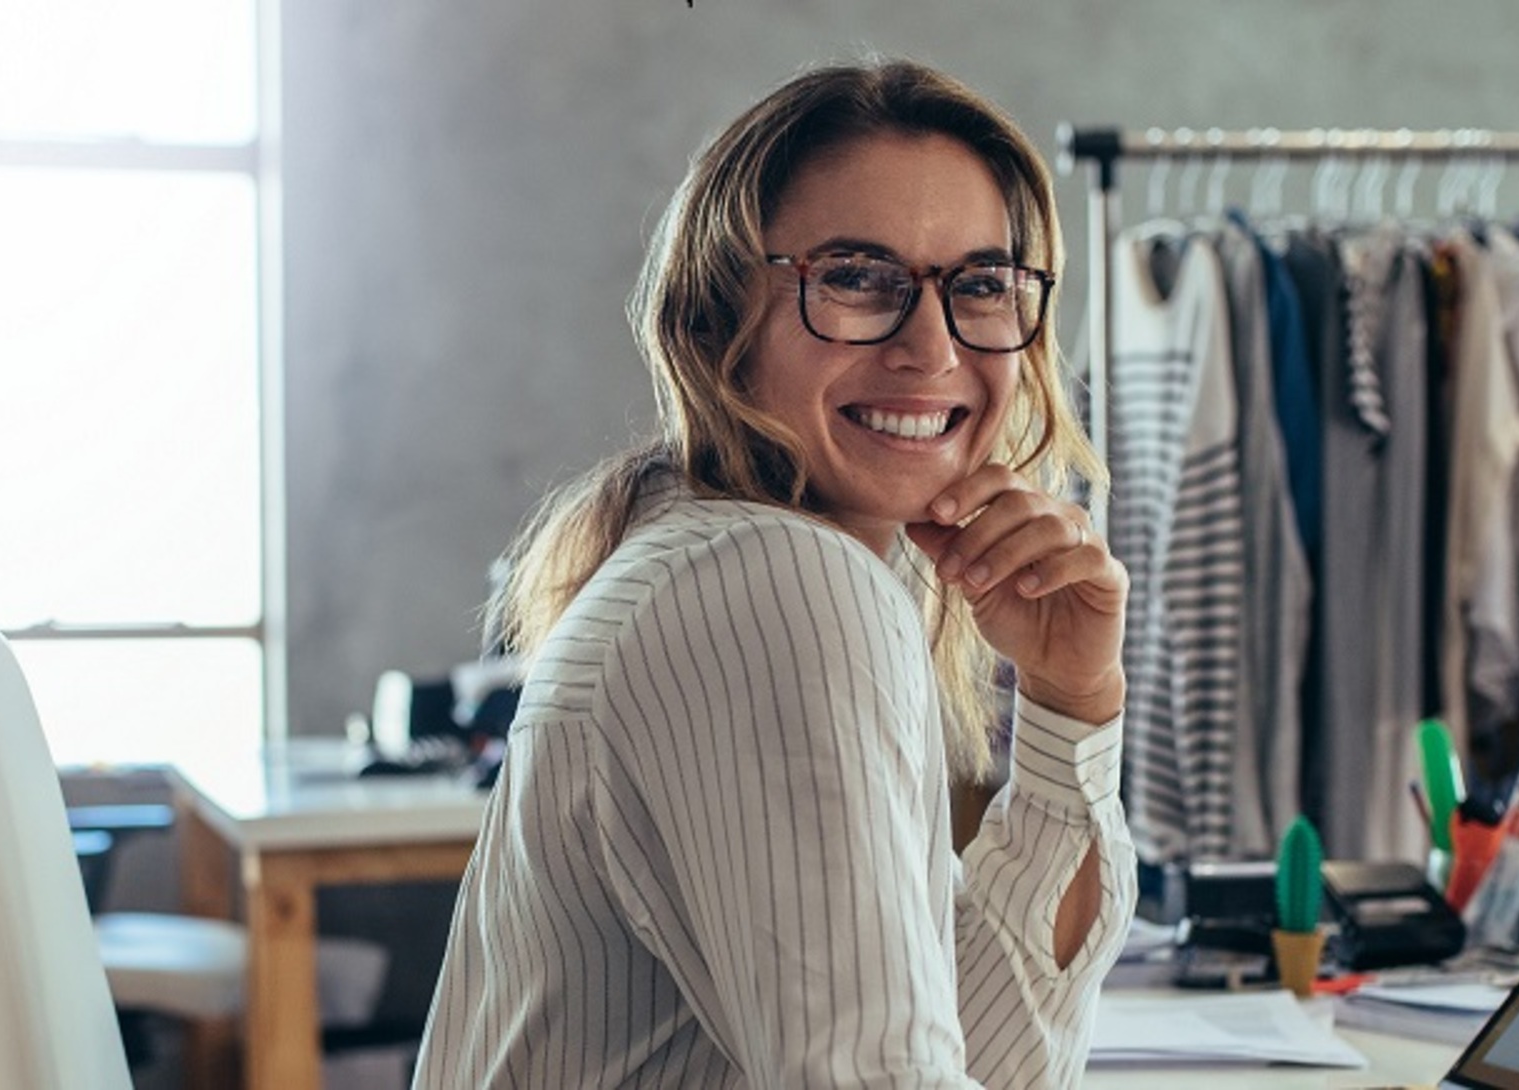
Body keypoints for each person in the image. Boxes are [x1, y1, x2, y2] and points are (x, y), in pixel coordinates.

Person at [416, 58, 1133, 1087]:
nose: (932, 348)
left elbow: (987, 1057)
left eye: (980, 284)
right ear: (720, 321)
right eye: (854, 276)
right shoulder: (776, 586)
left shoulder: (745, 563)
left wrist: (1072, 703)